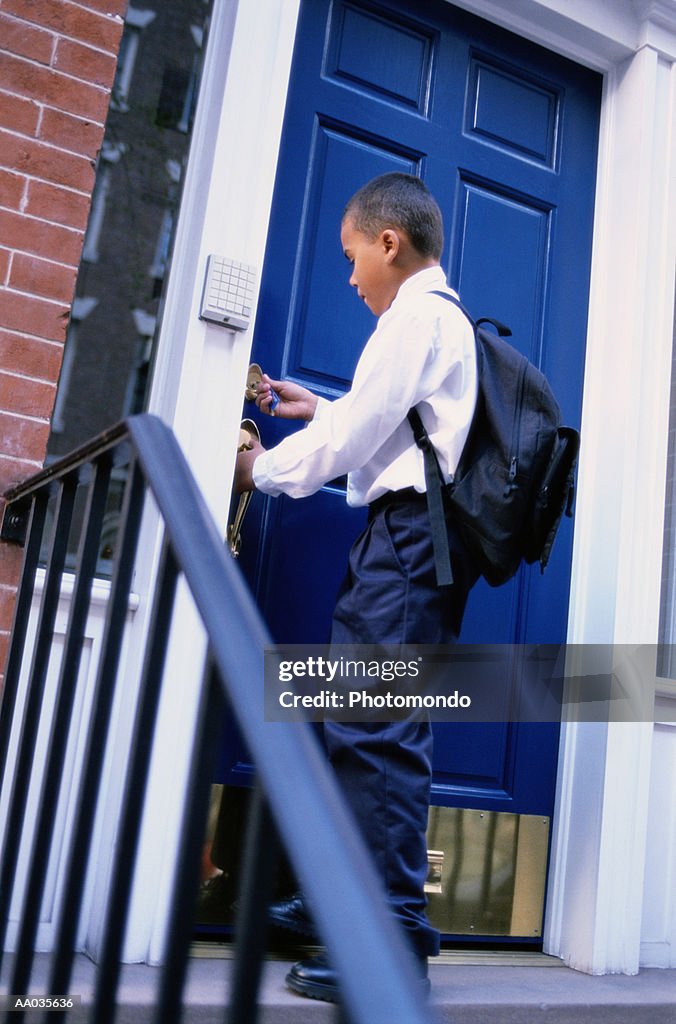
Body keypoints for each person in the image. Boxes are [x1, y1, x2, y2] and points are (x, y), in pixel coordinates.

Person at [235, 172, 479, 1002]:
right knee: (356, 720)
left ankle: (391, 933)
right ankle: (343, 904)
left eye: (351, 258)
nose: (348, 278)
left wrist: (257, 469)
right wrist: (320, 412)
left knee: (378, 728)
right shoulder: (424, 321)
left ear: (388, 243)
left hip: (411, 545)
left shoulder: (417, 317)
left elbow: (366, 435)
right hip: (401, 542)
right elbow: (375, 421)